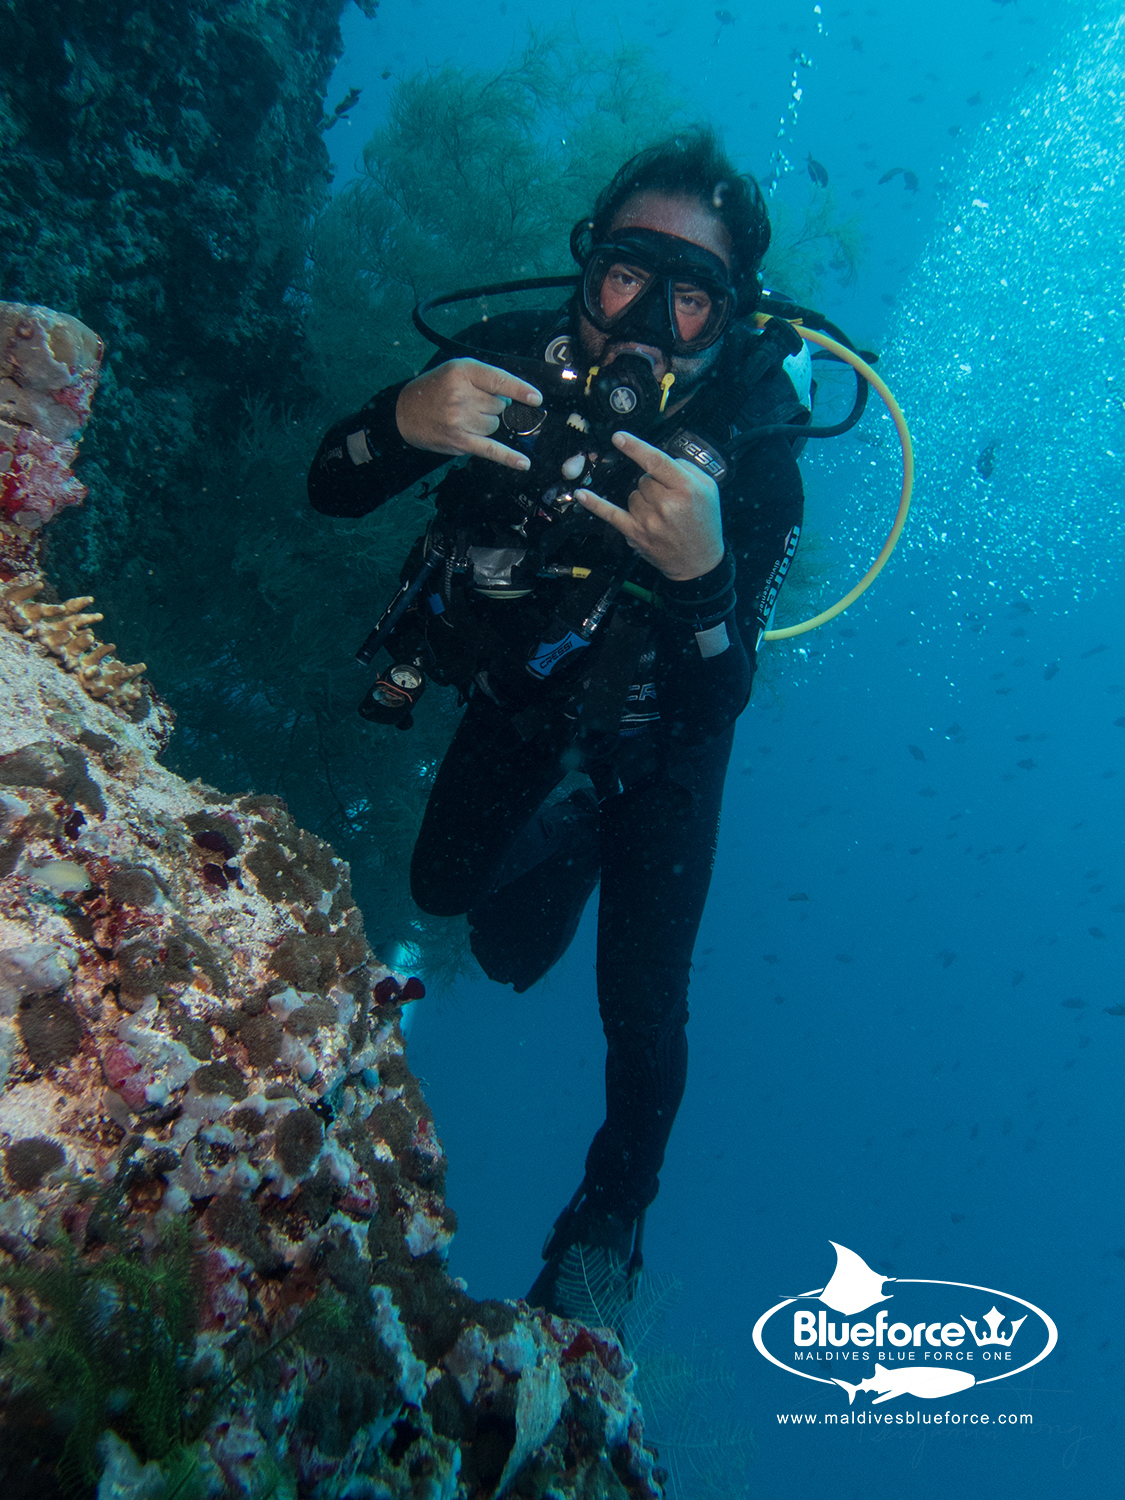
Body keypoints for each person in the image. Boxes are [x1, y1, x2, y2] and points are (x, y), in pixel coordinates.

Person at [308, 129, 810, 1315]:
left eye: (692, 297)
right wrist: (401, 420)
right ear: (588, 267)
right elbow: (331, 483)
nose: (649, 322)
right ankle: (566, 828)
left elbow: (722, 692)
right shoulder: (506, 364)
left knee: (640, 1007)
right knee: (460, 909)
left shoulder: (758, 453)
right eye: (627, 274)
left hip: (663, 745)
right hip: (527, 701)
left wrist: (702, 582)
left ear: (730, 318)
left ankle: (606, 1226)